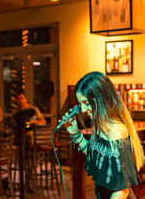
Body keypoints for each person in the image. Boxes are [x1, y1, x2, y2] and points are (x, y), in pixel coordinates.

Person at [61, 71, 144, 199]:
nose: (83, 110)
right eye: (80, 104)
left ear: (102, 100)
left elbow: (121, 191)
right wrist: (76, 134)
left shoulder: (116, 132)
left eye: (86, 103)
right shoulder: (101, 125)